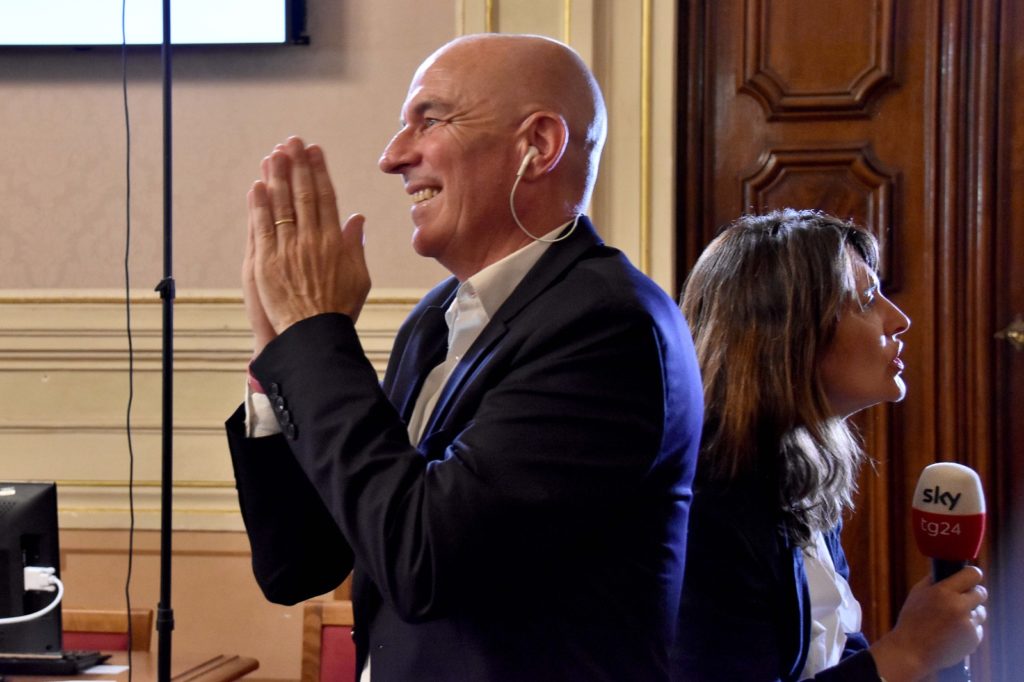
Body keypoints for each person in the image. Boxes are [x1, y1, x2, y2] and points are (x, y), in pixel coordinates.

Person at [225, 33, 704, 681]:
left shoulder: (608, 326)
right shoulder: (435, 321)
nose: (393, 157)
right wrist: (276, 352)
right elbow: (302, 564)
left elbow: (423, 563)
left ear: (538, 145)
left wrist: (314, 335)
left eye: (430, 120)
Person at [671, 208, 988, 681]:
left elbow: (833, 651)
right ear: (787, 332)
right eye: (867, 299)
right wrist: (907, 652)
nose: (899, 320)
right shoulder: (709, 505)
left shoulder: (797, 470)